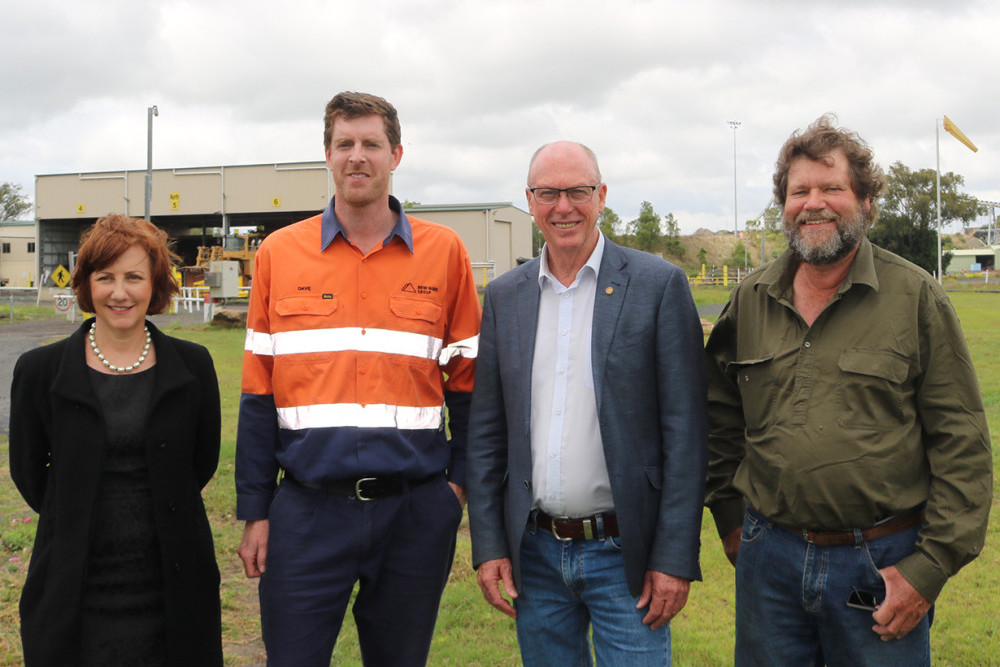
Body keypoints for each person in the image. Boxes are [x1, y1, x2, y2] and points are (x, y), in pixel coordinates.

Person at [705, 115, 993, 666]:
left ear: (864, 201)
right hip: (769, 563)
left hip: (881, 564)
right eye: (799, 190)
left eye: (832, 188)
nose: (814, 202)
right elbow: (718, 417)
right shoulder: (751, 299)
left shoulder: (916, 298)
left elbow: (963, 445)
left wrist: (926, 572)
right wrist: (731, 519)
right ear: (783, 204)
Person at [235, 91, 480, 666]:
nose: (357, 156)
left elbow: (469, 389)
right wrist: (256, 510)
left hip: (414, 512)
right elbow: (256, 392)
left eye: (371, 143)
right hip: (307, 512)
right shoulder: (278, 253)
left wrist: (455, 491)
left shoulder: (445, 253)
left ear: (396, 154)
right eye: (344, 143)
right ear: (326, 154)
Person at [467, 141, 707, 666]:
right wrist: (489, 546)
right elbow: (485, 435)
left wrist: (672, 558)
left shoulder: (658, 286)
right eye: (549, 193)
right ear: (530, 201)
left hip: (626, 555)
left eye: (577, 191)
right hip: (535, 554)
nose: (563, 207)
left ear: (601, 196)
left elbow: (687, 436)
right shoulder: (506, 297)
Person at [9, 213, 223, 667]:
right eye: (105, 277)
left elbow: (200, 464)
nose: (119, 292)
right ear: (86, 284)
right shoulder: (38, 370)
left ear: (155, 284)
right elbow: (29, 473)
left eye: (133, 277)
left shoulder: (194, 365)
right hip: (73, 583)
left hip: (172, 581)